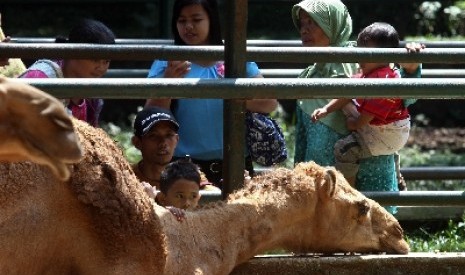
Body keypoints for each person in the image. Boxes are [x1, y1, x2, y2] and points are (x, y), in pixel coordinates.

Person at [291, 0, 422, 213]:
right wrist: (299, 178)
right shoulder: (308, 75)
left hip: (373, 173)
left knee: (374, 233)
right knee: (327, 239)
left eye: (312, 22)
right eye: (301, 23)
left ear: (332, 23)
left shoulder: (365, 58)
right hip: (325, 183)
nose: (304, 29)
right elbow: (302, 137)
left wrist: (411, 67)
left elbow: (405, 97)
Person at [145, 0, 278, 187]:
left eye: (196, 19)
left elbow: (269, 102)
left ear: (212, 20)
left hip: (235, 163)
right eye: (181, 21)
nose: (188, 26)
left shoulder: (235, 55)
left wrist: (228, 91)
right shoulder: (169, 60)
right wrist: (168, 83)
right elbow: (150, 115)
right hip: (183, 166)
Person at [311, 22, 411, 186]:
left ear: (386, 56)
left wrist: (354, 124)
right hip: (388, 130)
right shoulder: (369, 74)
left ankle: (349, 194)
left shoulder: (384, 80)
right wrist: (326, 110)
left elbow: (368, 114)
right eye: (360, 52)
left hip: (386, 133)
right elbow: (347, 93)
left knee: (344, 150)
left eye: (368, 54)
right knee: (348, 103)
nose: (361, 58)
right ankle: (396, 167)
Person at [19, 18, 115, 127]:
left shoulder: (92, 98)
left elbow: (93, 139)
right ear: (73, 52)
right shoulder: (39, 78)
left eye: (106, 61)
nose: (101, 67)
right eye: (95, 59)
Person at [131, 106, 220, 191]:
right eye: (153, 136)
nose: (163, 143)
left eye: (169, 135)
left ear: (176, 140)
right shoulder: (126, 178)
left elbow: (215, 197)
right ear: (137, 142)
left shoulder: (189, 176)